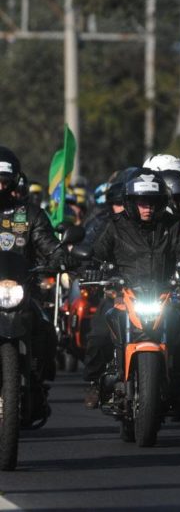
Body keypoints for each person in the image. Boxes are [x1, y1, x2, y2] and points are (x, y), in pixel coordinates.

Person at [82, 169, 180, 410]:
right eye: (142, 202)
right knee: (99, 335)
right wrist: (91, 267)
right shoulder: (115, 226)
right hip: (122, 296)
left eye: (153, 202)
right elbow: (95, 254)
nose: (148, 208)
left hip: (162, 296)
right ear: (130, 203)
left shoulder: (172, 225)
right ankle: (96, 382)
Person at [0, 147, 65, 424]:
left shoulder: (29, 215)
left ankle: (38, 383)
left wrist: (61, 258)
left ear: (15, 179)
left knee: (46, 330)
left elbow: (50, 247)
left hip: (20, 293)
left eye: (4, 178)